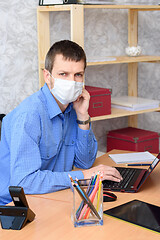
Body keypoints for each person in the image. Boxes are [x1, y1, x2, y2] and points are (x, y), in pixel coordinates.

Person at [0, 40, 122, 205]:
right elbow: (24, 182)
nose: (72, 81)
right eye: (63, 74)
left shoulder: (73, 107)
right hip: (15, 206)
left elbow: (84, 162)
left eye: (78, 75)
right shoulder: (30, 115)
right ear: (47, 76)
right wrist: (84, 176)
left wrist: (82, 116)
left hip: (51, 196)